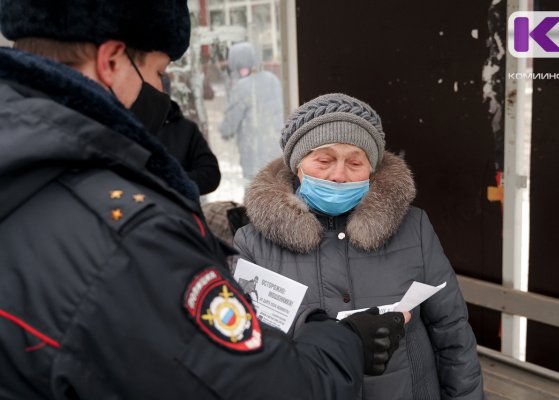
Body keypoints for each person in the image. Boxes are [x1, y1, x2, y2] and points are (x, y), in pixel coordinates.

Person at [0, 2, 410, 399]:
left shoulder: (26, 177)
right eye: (159, 72)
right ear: (111, 61)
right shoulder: (132, 235)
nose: (161, 89)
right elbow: (265, 388)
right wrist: (342, 342)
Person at [234, 93, 485, 399]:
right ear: (297, 165)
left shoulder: (413, 228)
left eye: (355, 162)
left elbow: (452, 331)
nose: (339, 175)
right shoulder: (253, 243)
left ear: (372, 169)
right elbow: (245, 350)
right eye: (324, 160)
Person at [219, 42, 283, 184]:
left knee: (255, 196)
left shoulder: (242, 87)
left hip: (254, 156)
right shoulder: (272, 79)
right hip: (277, 152)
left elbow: (229, 125)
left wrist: (223, 130)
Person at [160, 97, 221, 195]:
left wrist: (172, 180)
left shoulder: (186, 129)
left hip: (178, 207)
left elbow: (210, 175)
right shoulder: (128, 129)